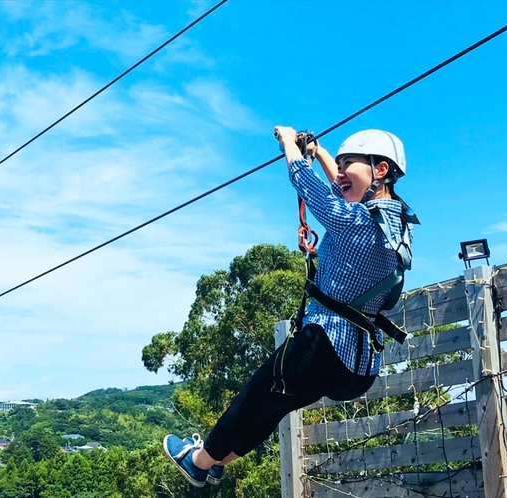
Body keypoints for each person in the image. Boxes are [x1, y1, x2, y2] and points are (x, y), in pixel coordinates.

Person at [162, 127, 418, 487]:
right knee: (275, 405)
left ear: (379, 171)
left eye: (350, 164)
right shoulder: (397, 223)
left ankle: (199, 461)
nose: (340, 172)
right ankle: (219, 462)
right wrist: (321, 151)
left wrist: (289, 146)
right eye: (339, 164)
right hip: (360, 367)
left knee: (255, 397)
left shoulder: (353, 221)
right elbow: (343, 189)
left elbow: (313, 189)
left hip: (324, 345)